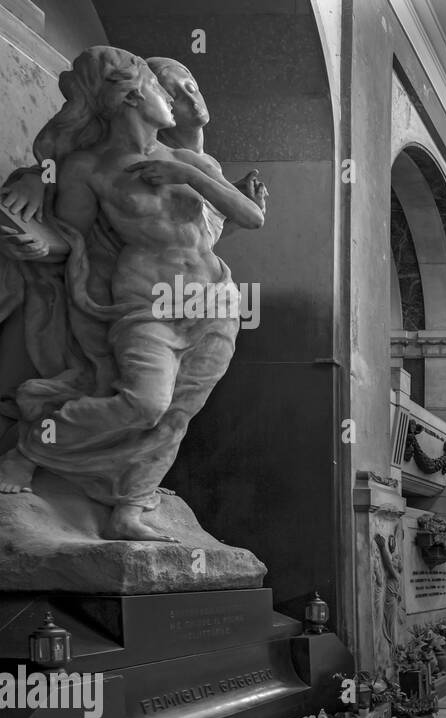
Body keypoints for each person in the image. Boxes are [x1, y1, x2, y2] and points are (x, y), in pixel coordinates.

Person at [0, 47, 265, 540]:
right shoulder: (86, 168)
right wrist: (39, 199)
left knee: (178, 414)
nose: (174, 102)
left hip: (214, 302)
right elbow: (74, 236)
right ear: (132, 95)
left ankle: (131, 505)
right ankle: (29, 449)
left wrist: (188, 175)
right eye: (166, 90)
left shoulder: (187, 160)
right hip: (148, 303)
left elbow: (252, 216)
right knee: (145, 404)